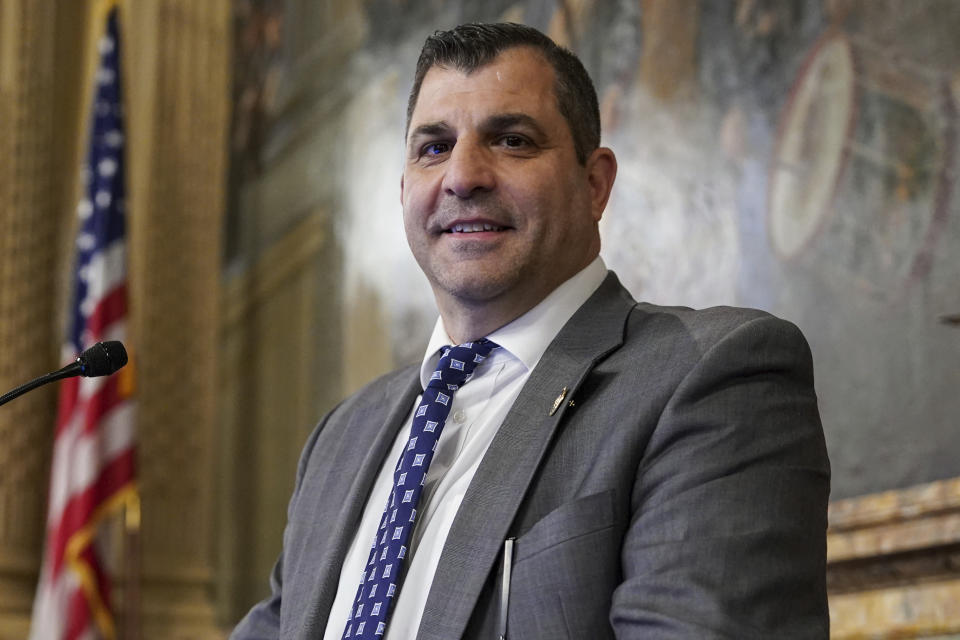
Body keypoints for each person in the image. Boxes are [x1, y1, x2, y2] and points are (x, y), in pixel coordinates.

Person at [232, 22, 830, 640]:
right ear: (405, 190)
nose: (463, 176)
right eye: (433, 148)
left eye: (512, 140)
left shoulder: (714, 376)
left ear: (594, 184)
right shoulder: (340, 440)